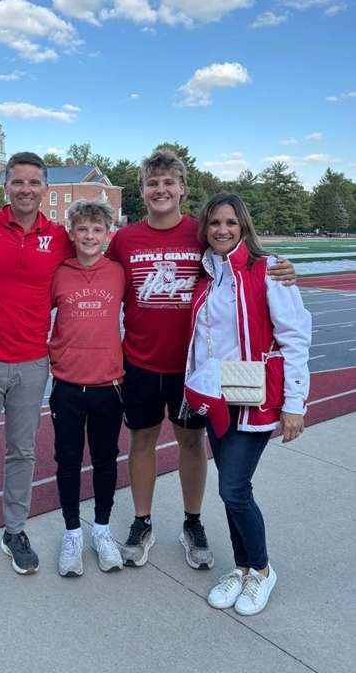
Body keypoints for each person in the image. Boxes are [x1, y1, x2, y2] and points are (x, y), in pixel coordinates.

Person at [106, 150, 295, 570]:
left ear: (183, 189)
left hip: (194, 368)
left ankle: (192, 522)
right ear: (142, 190)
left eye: (169, 183)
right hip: (139, 360)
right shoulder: (125, 239)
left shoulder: (199, 233)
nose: (161, 190)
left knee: (192, 441)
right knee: (141, 441)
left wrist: (281, 268)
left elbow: (240, 263)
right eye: (152, 184)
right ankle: (142, 520)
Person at [184, 192, 311, 615]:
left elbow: (295, 335)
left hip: (252, 391)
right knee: (233, 489)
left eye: (230, 223)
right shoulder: (207, 275)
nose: (222, 230)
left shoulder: (268, 269)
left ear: (243, 227)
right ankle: (240, 568)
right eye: (215, 223)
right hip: (218, 394)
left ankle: (261, 571)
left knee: (233, 488)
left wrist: (296, 403)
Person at [0, 152, 72, 588]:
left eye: (33, 183)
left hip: (31, 361)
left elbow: (101, 254)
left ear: (45, 189)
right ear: (6, 186)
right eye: (17, 182)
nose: (25, 189)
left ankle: (15, 531)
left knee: (22, 451)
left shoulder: (58, 236)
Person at [49, 200, 125, 577]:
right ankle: (72, 533)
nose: (90, 236)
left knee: (105, 459)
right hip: (66, 383)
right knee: (67, 460)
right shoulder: (58, 271)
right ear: (72, 233)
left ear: (107, 235)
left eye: (97, 229)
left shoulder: (118, 272)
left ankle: (102, 530)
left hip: (108, 384)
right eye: (83, 229)